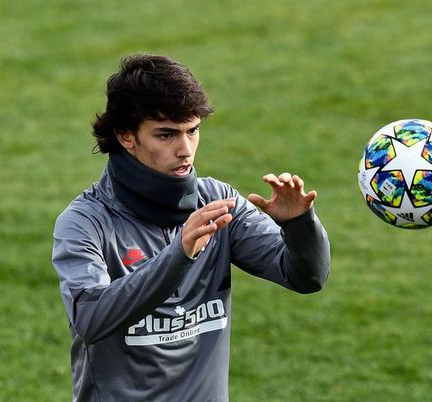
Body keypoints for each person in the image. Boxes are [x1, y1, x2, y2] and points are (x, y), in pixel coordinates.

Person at [52, 53, 330, 402]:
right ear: (125, 136)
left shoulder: (219, 203)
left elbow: (306, 277)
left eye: (193, 131)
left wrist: (299, 225)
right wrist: (178, 255)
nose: (185, 150)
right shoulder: (86, 222)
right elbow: (90, 319)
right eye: (166, 135)